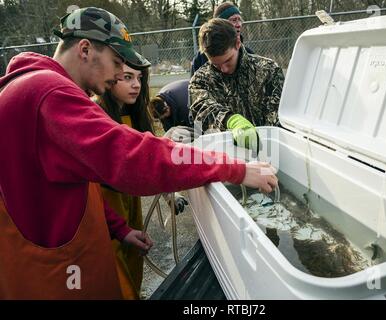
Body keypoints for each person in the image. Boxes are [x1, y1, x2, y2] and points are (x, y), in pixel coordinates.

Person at [0, 7, 277, 299]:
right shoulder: (50, 94)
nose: (121, 74)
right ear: (85, 49)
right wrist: (238, 169)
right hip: (54, 277)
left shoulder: (33, 86)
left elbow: (77, 184)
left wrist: (119, 228)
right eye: (117, 61)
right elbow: (135, 157)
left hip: (66, 260)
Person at [94, 64, 188, 299]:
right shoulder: (94, 113)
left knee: (134, 256)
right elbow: (122, 161)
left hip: (130, 197)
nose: (136, 84)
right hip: (103, 199)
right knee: (113, 265)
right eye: (127, 77)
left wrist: (170, 195)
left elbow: (149, 163)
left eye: (139, 78)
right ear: (109, 77)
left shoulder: (136, 112)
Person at [189, 18, 285, 154]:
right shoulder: (200, 80)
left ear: (238, 43)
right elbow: (202, 109)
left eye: (228, 60)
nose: (223, 69)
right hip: (225, 157)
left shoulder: (269, 70)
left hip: (270, 152)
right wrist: (231, 120)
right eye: (216, 64)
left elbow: (277, 116)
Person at [191, 2, 254, 76]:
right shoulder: (201, 58)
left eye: (239, 20)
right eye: (234, 20)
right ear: (220, 24)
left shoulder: (249, 54)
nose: (239, 25)